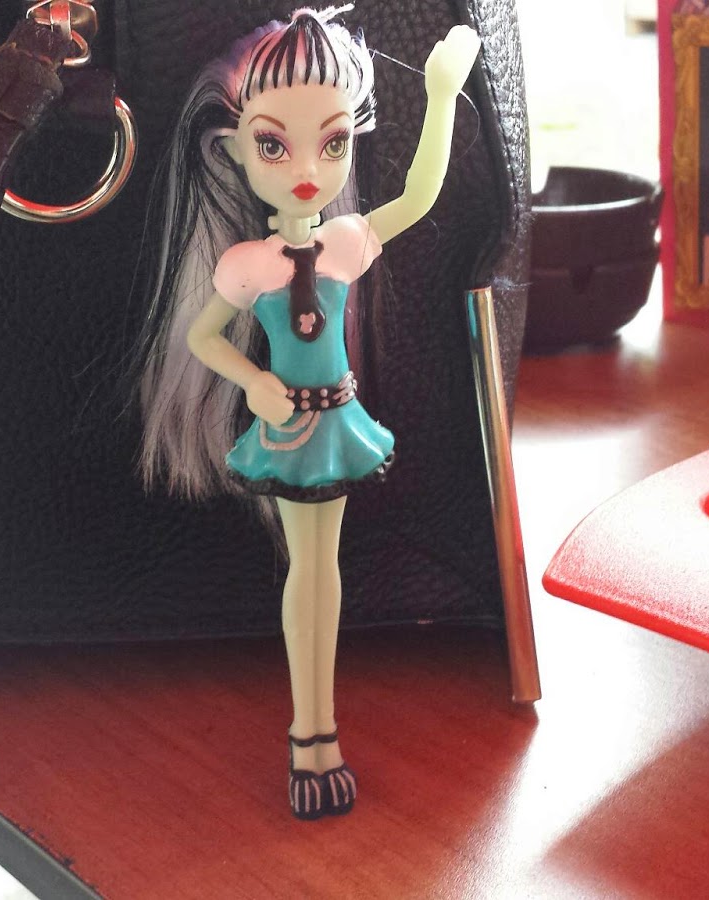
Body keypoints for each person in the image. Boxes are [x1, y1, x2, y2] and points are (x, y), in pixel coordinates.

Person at [133, 6, 480, 820]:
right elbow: (202, 337)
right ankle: (311, 735)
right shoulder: (247, 264)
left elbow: (419, 196)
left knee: (322, 567)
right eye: (273, 146)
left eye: (333, 143)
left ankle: (318, 733)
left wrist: (439, 96)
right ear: (232, 149)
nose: (305, 170)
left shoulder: (348, 242)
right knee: (309, 569)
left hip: (337, 422)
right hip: (289, 427)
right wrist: (252, 381)